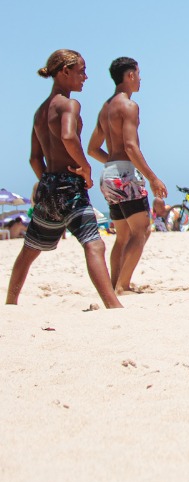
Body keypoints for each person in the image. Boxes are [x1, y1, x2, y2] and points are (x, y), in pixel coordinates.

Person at [6, 50, 121, 308]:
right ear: (64, 72)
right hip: (71, 186)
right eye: (81, 71)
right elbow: (68, 137)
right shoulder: (69, 105)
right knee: (94, 244)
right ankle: (113, 305)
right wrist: (86, 168)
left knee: (31, 248)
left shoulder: (40, 112)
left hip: (48, 186)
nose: (86, 77)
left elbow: (34, 159)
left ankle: (11, 302)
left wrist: (49, 184)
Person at [88, 57, 168, 293]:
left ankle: (115, 284)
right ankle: (122, 284)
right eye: (139, 74)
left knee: (122, 235)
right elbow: (131, 146)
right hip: (124, 174)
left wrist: (113, 164)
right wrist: (153, 178)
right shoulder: (128, 106)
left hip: (108, 175)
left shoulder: (106, 107)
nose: (141, 79)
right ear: (130, 75)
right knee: (142, 230)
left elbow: (92, 149)